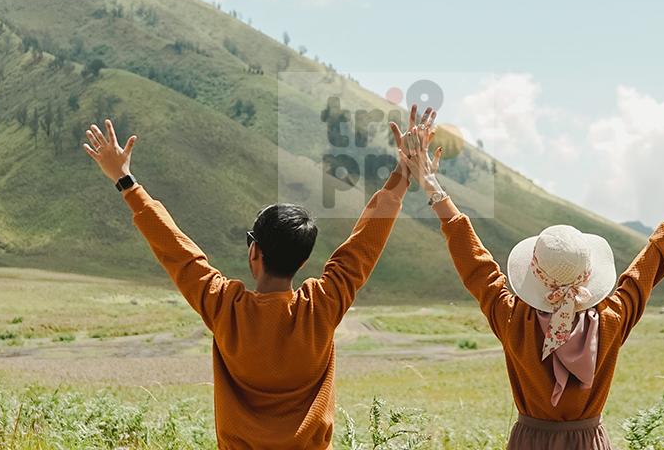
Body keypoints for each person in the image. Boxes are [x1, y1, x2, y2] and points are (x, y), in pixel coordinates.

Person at [81, 105, 433, 449]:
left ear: (254, 253)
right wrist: (404, 171)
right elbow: (365, 243)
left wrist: (125, 181)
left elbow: (177, 252)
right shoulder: (322, 306)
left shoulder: (225, 308)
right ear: (304, 258)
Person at [397, 111, 664, 449]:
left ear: (533, 274)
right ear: (590, 274)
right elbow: (652, 258)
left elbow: (474, 262)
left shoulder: (512, 317)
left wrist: (431, 184)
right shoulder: (612, 317)